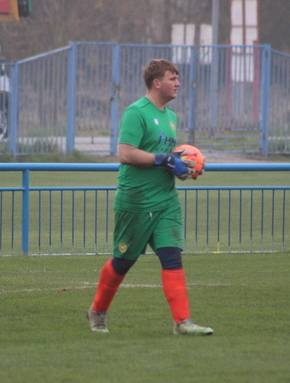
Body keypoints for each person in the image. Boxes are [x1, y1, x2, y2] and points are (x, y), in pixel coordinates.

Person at [87, 59, 213, 336]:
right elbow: (126, 154)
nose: (178, 83)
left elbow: (164, 159)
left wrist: (181, 168)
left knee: (172, 257)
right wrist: (163, 158)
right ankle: (97, 311)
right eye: (173, 78)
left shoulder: (171, 116)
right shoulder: (136, 112)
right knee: (123, 262)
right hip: (136, 202)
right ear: (157, 83)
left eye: (178, 78)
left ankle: (183, 322)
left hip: (166, 199)